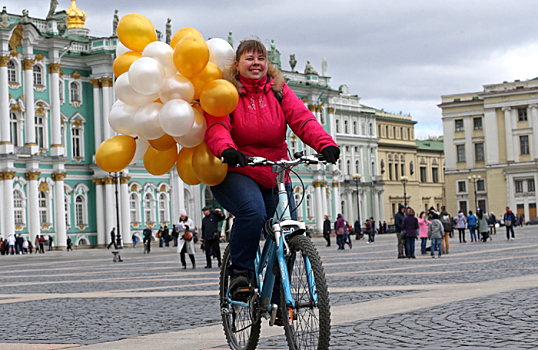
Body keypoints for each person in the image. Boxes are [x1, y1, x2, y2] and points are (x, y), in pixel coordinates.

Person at [205, 39, 339, 302]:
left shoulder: (278, 91)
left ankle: (279, 299)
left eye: (261, 58)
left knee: (287, 233)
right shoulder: (226, 91)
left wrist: (325, 144)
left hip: (275, 172)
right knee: (253, 212)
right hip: (237, 171)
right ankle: (241, 273)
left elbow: (302, 118)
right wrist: (226, 150)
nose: (256, 63)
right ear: (237, 64)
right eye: (249, 58)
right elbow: (216, 126)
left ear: (267, 64)